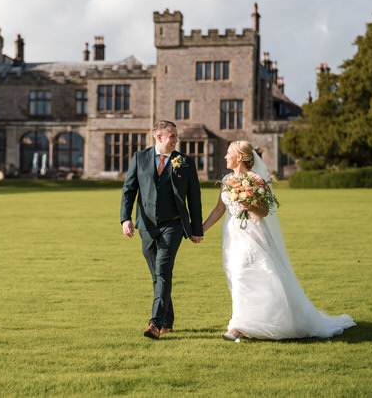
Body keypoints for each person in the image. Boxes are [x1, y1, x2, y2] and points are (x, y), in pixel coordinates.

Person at [202, 140, 355, 341]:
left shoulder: (256, 180)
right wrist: (201, 229)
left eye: (229, 153)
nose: (225, 157)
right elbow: (219, 209)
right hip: (232, 235)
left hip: (252, 234)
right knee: (235, 275)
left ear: (240, 157)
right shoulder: (227, 180)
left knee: (245, 275)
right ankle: (250, 322)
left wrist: (251, 206)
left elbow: (264, 211)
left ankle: (237, 326)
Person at [120, 120, 204, 339]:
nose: (176, 140)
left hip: (173, 225)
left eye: (176, 136)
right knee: (158, 276)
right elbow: (129, 190)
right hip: (146, 226)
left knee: (163, 271)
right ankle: (167, 320)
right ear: (158, 137)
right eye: (172, 136)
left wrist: (197, 229)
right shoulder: (140, 158)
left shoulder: (185, 162)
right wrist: (125, 219)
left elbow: (194, 197)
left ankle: (155, 323)